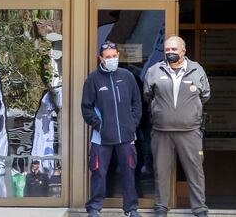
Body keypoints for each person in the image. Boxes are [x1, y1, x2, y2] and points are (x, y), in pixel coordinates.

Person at [143, 36, 210, 217]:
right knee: (161, 171)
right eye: (167, 50)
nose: (170, 52)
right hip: (161, 131)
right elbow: (148, 95)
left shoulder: (197, 70)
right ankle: (161, 207)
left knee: (195, 171)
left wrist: (187, 112)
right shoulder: (154, 70)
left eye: (174, 49)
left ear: (183, 51)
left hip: (190, 131)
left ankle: (199, 208)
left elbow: (205, 95)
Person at [81, 40, 142, 217]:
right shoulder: (93, 79)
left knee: (129, 173)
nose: (112, 59)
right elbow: (86, 107)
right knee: (99, 173)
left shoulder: (128, 76)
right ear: (101, 58)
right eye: (108, 57)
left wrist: (132, 124)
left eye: (114, 56)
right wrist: (99, 125)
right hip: (101, 137)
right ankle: (94, 208)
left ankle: (131, 208)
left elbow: (137, 102)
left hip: (126, 136)